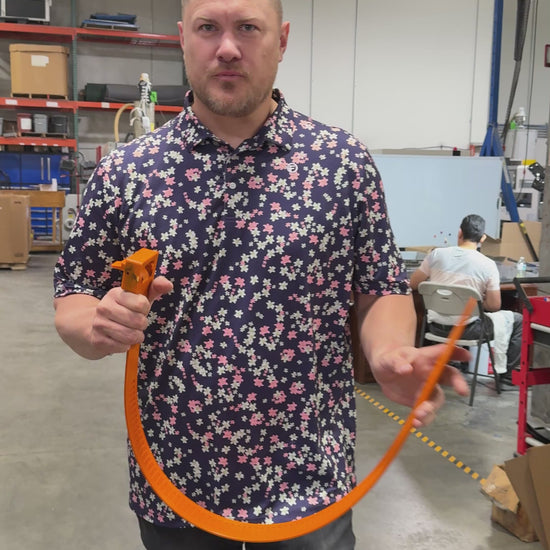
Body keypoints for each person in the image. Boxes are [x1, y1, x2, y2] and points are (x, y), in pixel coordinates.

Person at [53, 1, 469, 548]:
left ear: (283, 39)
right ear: (183, 39)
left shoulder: (341, 163)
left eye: (248, 28)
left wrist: (389, 352)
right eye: (208, 28)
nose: (227, 48)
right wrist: (95, 326)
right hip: (176, 485)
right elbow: (73, 294)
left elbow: (379, 288)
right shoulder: (128, 172)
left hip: (310, 486)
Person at [410, 214, 523, 377]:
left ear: (459, 232)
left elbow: (414, 284)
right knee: (518, 320)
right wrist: (475, 301)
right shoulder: (488, 265)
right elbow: (494, 306)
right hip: (468, 331)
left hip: (434, 327)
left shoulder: (436, 255)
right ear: (482, 238)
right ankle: (507, 376)